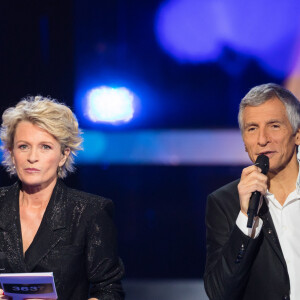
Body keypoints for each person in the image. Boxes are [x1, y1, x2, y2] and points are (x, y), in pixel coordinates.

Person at [0, 96, 125, 300]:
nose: (33, 157)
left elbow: (109, 292)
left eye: (45, 147)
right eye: (23, 146)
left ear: (64, 155)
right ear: (12, 153)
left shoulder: (89, 212)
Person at [204, 83, 300, 300]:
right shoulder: (224, 203)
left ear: (297, 135)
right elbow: (220, 294)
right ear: (245, 143)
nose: (262, 139)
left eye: (274, 126)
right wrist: (246, 219)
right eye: (252, 128)